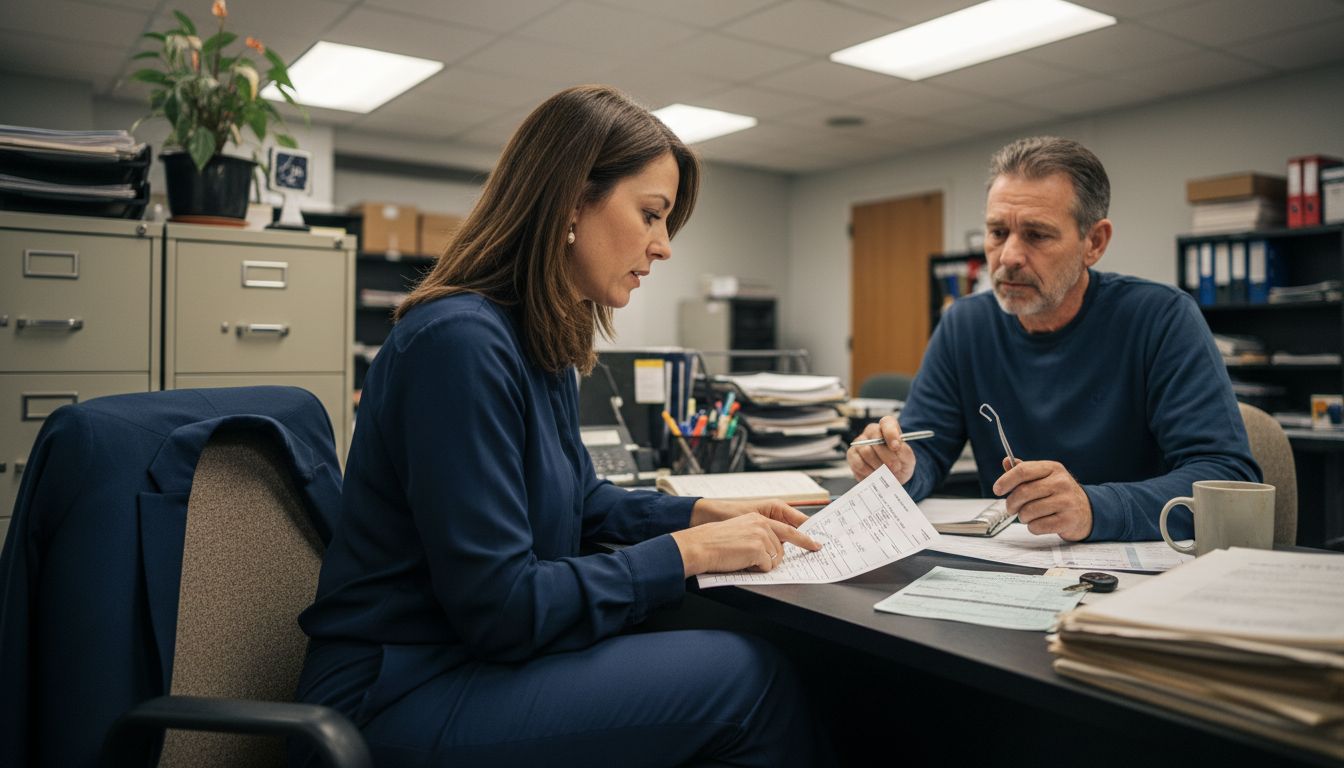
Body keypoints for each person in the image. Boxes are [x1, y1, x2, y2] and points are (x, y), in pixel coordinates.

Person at [294, 85, 830, 768]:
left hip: (463, 660)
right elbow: (504, 609)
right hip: (398, 691)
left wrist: (701, 512)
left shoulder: (532, 336)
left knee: (726, 637)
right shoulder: (458, 343)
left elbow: (581, 502)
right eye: (651, 215)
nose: (663, 247)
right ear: (573, 200)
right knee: (747, 680)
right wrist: (691, 553)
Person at [848, 136, 1259, 543]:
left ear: (1093, 243)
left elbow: (1227, 477)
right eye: (996, 232)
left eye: (1037, 235)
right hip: (1007, 566)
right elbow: (927, 453)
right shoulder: (964, 325)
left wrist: (1094, 509)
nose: (1008, 256)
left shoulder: (1161, 318)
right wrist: (898, 466)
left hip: (1134, 572)